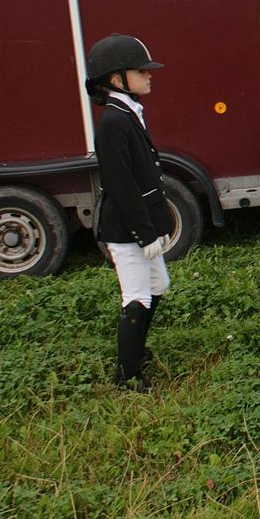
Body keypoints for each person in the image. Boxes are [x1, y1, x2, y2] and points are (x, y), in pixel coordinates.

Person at [84, 34, 174, 391]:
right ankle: (128, 375)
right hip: (126, 229)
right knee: (136, 295)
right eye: (141, 70)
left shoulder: (128, 112)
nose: (150, 75)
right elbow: (122, 186)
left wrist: (160, 222)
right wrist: (144, 232)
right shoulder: (113, 123)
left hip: (143, 223)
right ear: (116, 77)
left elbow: (145, 175)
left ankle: (136, 350)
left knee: (158, 286)